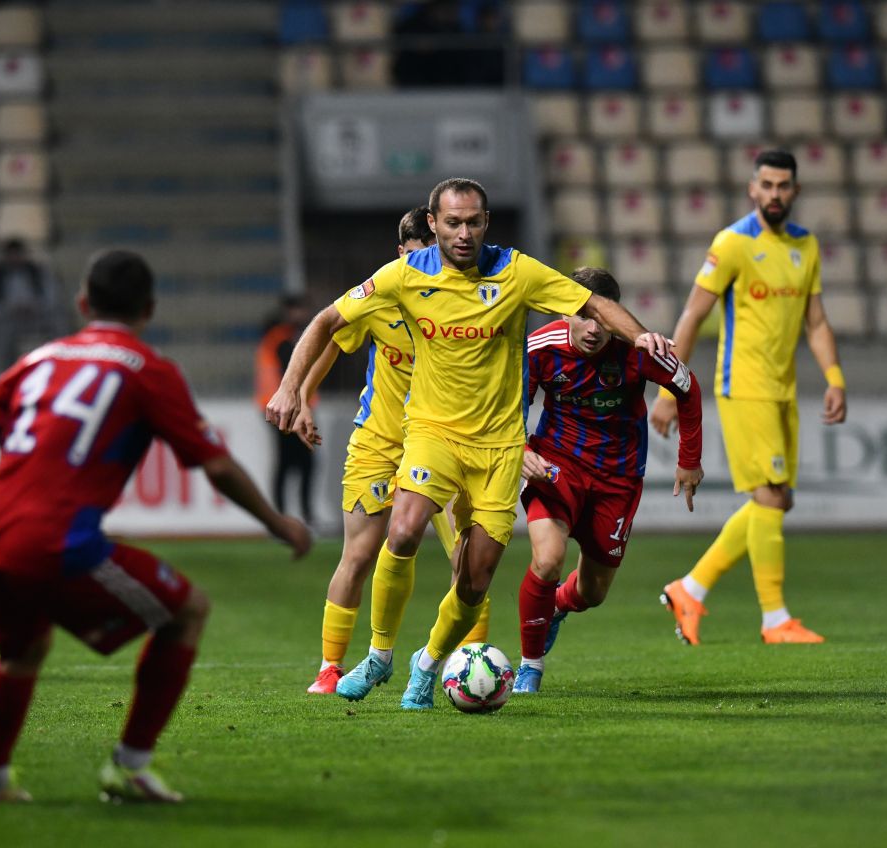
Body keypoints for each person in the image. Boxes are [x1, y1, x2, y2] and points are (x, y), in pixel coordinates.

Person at [267, 177, 671, 710]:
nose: (463, 233)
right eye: (452, 222)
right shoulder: (404, 275)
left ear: (486, 223)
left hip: (500, 448)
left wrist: (640, 335)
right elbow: (326, 322)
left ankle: (426, 665)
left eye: (473, 222)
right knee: (404, 529)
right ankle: (378, 657)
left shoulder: (517, 272)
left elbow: (592, 302)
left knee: (474, 578)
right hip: (433, 434)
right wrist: (290, 387)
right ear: (433, 224)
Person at [0, 248, 311, 804]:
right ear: (149, 309)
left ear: (83, 303)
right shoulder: (148, 370)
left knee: (22, 651)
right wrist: (277, 523)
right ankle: (128, 768)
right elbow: (217, 464)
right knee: (187, 612)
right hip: (56, 539)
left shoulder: (38, 359)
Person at [650, 149, 847, 645]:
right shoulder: (733, 243)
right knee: (770, 496)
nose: (775, 193)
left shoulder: (806, 245)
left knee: (778, 501)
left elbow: (816, 320)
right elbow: (694, 315)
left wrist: (835, 377)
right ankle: (775, 618)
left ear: (795, 191)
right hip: (744, 385)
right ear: (752, 189)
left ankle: (689, 589)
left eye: (784, 185)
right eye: (767, 184)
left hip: (783, 389)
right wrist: (671, 387)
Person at [292, 206, 482, 696]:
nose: (427, 270)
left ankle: (468, 661)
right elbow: (333, 335)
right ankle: (331, 667)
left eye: (435, 258)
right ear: (401, 254)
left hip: (443, 440)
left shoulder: (461, 298)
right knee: (358, 554)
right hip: (379, 442)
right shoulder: (381, 293)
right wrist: (302, 397)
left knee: (468, 556)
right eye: (418, 258)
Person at [514, 267, 704, 694]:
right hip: (557, 466)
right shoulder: (539, 349)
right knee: (547, 559)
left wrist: (688, 460)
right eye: (584, 316)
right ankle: (530, 665)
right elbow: (509, 410)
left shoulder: (637, 351)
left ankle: (558, 605)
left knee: (593, 593)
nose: (593, 329)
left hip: (617, 479)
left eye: (602, 319)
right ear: (566, 314)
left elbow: (688, 388)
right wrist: (522, 453)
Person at [255, 295, 317, 525]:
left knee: (291, 463)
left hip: (284, 407)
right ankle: (292, 518)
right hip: (286, 408)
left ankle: (283, 518)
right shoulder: (283, 339)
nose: (301, 315)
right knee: (298, 463)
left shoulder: (280, 337)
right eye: (297, 309)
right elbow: (289, 376)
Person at [0, 238, 64, 371]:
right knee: (2, 334)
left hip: (37, 316)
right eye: (12, 254)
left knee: (59, 322)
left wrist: (36, 306)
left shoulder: (38, 272)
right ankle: (6, 372)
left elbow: (52, 297)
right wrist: (8, 309)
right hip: (9, 319)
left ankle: (59, 364)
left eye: (18, 254)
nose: (15, 258)